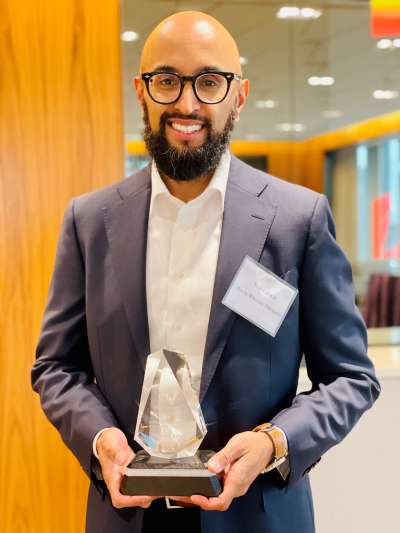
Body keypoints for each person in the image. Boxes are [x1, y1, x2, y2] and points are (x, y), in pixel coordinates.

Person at [31, 10, 380, 533]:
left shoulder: (295, 220)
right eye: (167, 80)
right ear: (141, 91)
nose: (187, 103)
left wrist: (272, 444)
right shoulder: (90, 222)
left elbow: (351, 378)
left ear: (238, 95)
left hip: (257, 516)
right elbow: (56, 367)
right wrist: (102, 439)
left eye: (209, 82)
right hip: (127, 516)